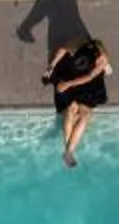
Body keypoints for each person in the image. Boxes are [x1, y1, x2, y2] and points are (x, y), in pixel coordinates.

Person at [44, 32, 111, 167]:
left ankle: (68, 151)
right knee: (71, 110)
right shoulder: (81, 41)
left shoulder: (102, 59)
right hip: (70, 76)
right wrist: (51, 67)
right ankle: (68, 152)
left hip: (84, 85)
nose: (100, 63)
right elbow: (62, 50)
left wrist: (68, 84)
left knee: (83, 115)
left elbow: (90, 77)